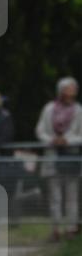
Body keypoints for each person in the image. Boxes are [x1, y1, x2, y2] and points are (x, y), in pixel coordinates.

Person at [36, 77, 82, 240]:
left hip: (71, 157)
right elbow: (40, 130)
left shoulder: (78, 110)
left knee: (72, 195)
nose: (71, 93)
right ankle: (55, 228)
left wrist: (67, 141)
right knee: (55, 195)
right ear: (61, 91)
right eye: (68, 89)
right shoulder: (49, 109)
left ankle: (71, 228)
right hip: (53, 155)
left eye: (73, 89)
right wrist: (51, 140)